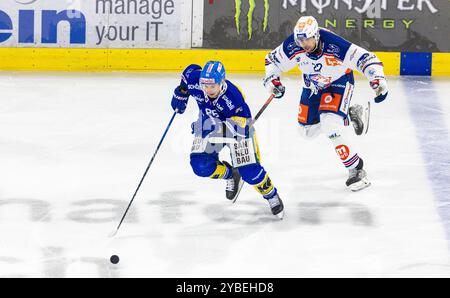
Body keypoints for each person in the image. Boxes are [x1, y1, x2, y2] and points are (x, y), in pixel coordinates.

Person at [263, 16, 388, 191]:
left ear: (316, 35)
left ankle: (356, 169)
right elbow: (272, 61)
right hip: (312, 86)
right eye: (300, 39)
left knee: (330, 125)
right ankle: (348, 114)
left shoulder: (333, 44)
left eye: (307, 39)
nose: (303, 43)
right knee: (306, 132)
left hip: (339, 81)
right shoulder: (293, 45)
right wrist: (272, 81)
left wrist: (377, 79)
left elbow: (366, 59)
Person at [171, 61, 284, 219]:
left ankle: (271, 195)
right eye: (205, 85)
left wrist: (210, 127)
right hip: (208, 124)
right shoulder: (195, 79)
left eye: (212, 86)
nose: (208, 90)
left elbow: (242, 128)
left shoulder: (233, 97)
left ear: (221, 82)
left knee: (250, 172)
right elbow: (188, 72)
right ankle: (231, 175)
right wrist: (181, 92)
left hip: (236, 131)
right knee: (199, 165)